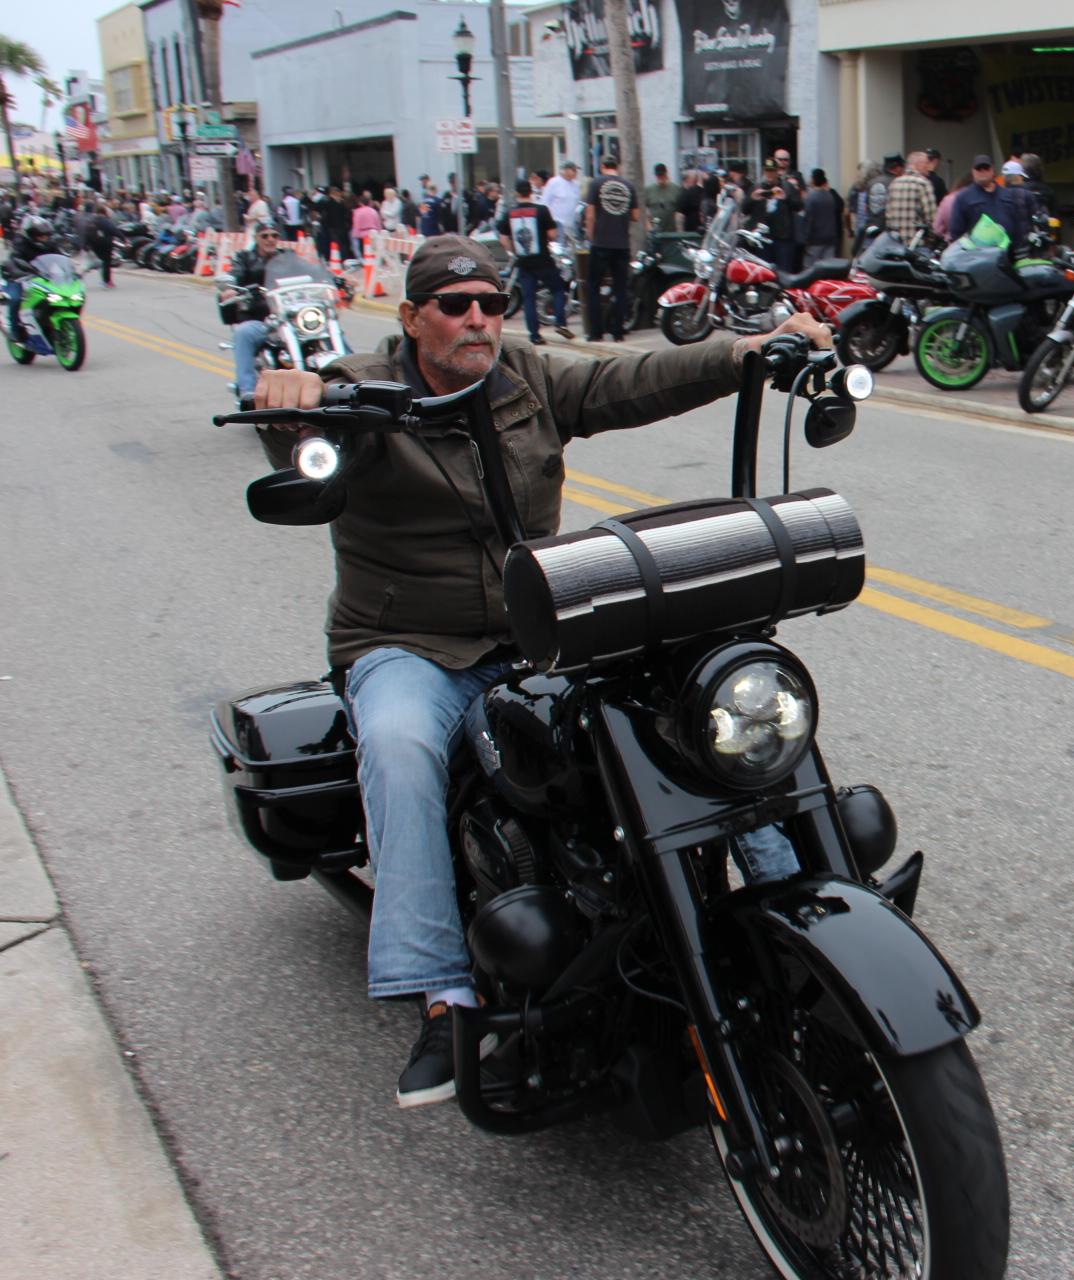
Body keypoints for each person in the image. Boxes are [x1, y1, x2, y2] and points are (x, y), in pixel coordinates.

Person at [244, 238, 830, 1107]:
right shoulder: (359, 390)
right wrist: (289, 410)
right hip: (410, 642)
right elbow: (301, 439)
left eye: (491, 302)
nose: (477, 318)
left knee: (695, 697)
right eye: (454, 305)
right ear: (411, 318)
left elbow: (631, 380)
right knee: (400, 747)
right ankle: (440, 993)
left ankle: (797, 900)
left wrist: (744, 352)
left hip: (539, 629)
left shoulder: (523, 378)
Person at [215, 223, 351, 397]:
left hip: (291, 316)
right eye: (265, 236)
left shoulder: (288, 257)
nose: (270, 239)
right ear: (256, 238)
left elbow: (312, 270)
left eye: (274, 235)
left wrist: (336, 279)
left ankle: (356, 373)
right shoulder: (245, 258)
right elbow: (235, 273)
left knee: (328, 324)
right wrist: (230, 288)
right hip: (262, 319)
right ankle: (247, 391)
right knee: (243, 333)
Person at [499, 178, 573, 345]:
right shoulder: (542, 210)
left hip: (524, 261)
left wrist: (514, 251)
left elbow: (503, 239)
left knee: (529, 298)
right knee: (558, 289)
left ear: (516, 193)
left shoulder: (509, 214)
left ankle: (535, 335)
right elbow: (553, 235)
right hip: (543, 259)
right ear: (531, 192)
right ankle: (560, 322)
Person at [583, 156, 638, 342]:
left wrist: (591, 235)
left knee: (593, 287)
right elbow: (635, 215)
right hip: (622, 244)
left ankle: (596, 332)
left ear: (602, 166)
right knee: (620, 288)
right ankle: (618, 331)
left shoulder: (595, 184)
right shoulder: (628, 186)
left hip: (601, 242)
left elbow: (590, 214)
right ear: (618, 166)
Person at [5, 215, 57, 341]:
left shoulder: (50, 244)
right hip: (20, 277)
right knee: (16, 299)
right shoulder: (20, 244)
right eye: (40, 236)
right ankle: (14, 330)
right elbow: (14, 261)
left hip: (43, 277)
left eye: (46, 236)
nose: (44, 238)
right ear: (31, 235)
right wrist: (21, 272)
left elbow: (60, 257)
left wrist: (71, 269)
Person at [885, 149, 938, 242]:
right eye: (926, 163)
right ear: (917, 164)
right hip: (917, 242)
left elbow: (888, 214)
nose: (929, 167)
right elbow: (931, 217)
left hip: (895, 242)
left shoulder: (894, 183)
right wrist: (932, 238)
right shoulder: (923, 184)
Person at [802, 169, 841, 266]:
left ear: (813, 180)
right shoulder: (830, 196)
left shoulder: (810, 198)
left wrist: (806, 240)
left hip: (815, 240)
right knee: (828, 268)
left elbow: (809, 220)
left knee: (811, 268)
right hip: (830, 238)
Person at [540, 160, 583, 248]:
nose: (576, 173)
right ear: (565, 170)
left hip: (571, 224)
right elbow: (545, 203)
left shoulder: (576, 184)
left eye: (576, 170)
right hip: (557, 223)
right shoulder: (553, 182)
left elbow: (578, 202)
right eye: (573, 170)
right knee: (560, 248)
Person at [644, 162, 679, 234]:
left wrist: (679, 228)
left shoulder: (676, 188)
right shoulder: (648, 190)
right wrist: (649, 228)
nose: (660, 177)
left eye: (662, 175)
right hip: (655, 229)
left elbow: (680, 211)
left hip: (672, 230)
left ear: (666, 174)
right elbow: (642, 210)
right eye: (658, 175)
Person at [350, 194, 382, 262]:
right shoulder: (373, 211)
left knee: (365, 252)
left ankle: (366, 263)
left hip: (362, 234)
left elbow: (356, 224)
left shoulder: (357, 212)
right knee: (373, 251)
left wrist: (355, 235)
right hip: (374, 233)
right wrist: (379, 232)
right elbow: (378, 223)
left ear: (360, 203)